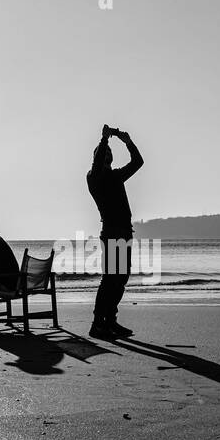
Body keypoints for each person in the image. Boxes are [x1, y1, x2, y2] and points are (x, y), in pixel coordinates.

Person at [86, 124, 143, 340]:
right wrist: (105, 140)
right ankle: (97, 323)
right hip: (111, 233)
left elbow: (138, 162)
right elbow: (98, 162)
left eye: (110, 154)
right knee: (110, 279)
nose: (107, 156)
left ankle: (110, 320)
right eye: (104, 154)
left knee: (120, 279)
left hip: (124, 232)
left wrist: (127, 141)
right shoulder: (94, 178)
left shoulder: (117, 176)